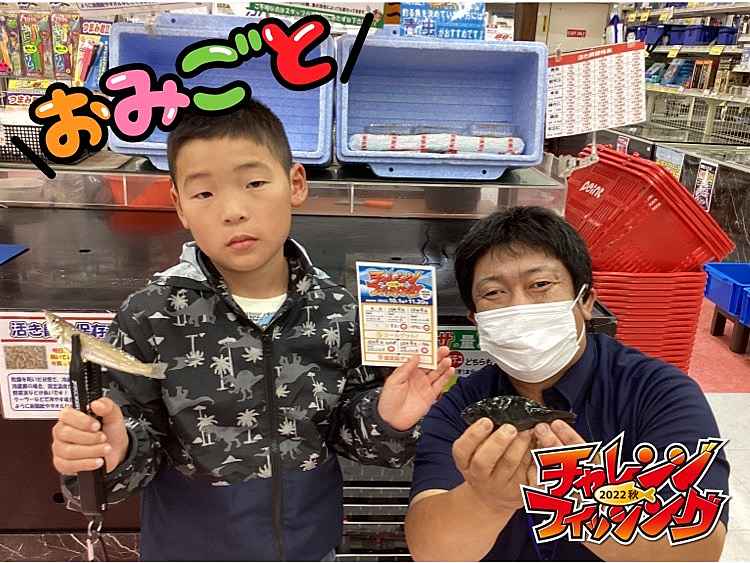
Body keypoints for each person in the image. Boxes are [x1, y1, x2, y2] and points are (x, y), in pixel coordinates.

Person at [51, 101, 454, 561]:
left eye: (255, 183)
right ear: (178, 205)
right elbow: (124, 450)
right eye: (204, 193)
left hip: (309, 547)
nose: (233, 211)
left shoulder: (338, 310)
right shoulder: (149, 316)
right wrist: (110, 451)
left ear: (295, 184)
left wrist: (387, 417)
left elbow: (349, 431)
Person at [404, 206, 729, 561]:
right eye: (494, 293)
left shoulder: (658, 392)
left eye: (540, 285)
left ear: (586, 301)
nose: (519, 307)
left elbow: (699, 549)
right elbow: (430, 551)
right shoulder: (463, 406)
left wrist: (580, 497)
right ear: (476, 319)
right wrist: (487, 500)